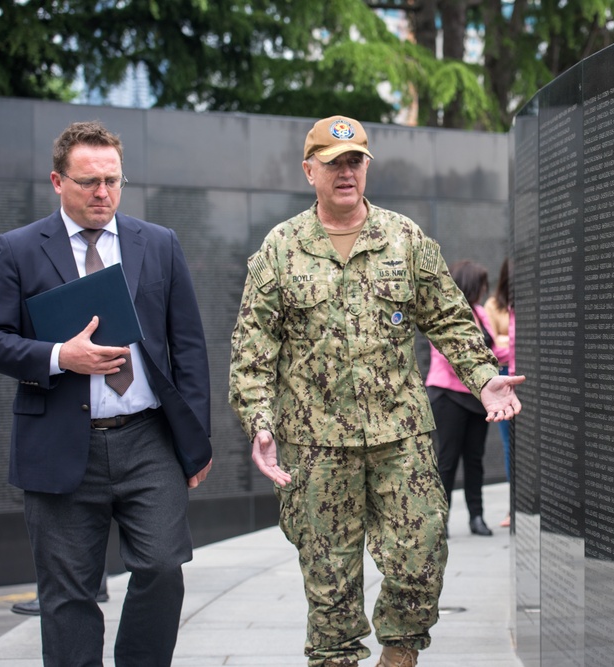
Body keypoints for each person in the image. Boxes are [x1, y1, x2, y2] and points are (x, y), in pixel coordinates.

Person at [227, 115, 524, 667]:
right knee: (331, 588)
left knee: (422, 555)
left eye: (356, 161)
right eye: (334, 162)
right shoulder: (281, 249)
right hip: (315, 444)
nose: (346, 172)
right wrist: (260, 422)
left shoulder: (403, 238)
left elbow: (451, 320)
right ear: (308, 170)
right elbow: (253, 349)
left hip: (399, 434)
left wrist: (484, 379)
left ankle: (399, 655)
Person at [0, 120, 213, 665]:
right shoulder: (18, 250)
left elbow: (189, 348)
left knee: (161, 567)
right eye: (88, 182)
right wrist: (62, 357)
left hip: (148, 439)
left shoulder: (158, 244)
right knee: (67, 597)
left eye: (112, 179)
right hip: (59, 445)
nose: (102, 192)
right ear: (58, 181)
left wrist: (195, 439)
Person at [426, 259, 511, 537]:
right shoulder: (445, 316)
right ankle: (442, 520)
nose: (485, 290)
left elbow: (496, 354)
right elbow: (453, 357)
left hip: (478, 398)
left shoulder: (479, 313)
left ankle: (477, 517)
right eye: (481, 285)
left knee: (475, 459)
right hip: (448, 396)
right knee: (448, 460)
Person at [483, 258, 514, 528]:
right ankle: (513, 506)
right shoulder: (494, 305)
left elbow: (503, 340)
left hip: (525, 372)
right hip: (503, 376)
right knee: (509, 445)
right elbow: (490, 344)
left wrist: (505, 340)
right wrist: (507, 341)